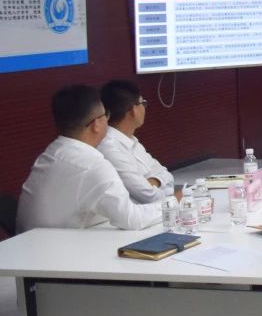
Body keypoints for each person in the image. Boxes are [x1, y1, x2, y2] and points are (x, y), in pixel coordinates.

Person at [17, 84, 164, 231]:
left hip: (35, 240)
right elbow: (132, 219)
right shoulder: (92, 166)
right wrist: (172, 202)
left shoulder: (51, 153)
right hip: (61, 243)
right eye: (105, 115)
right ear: (96, 124)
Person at [97, 79, 174, 203]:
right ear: (133, 110)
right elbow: (148, 196)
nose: (145, 107)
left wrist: (152, 182)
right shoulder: (109, 148)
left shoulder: (131, 141)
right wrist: (157, 185)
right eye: (143, 103)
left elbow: (168, 176)